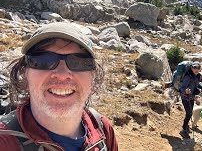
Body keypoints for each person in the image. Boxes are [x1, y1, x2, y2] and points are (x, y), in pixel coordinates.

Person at [0, 22, 118, 150]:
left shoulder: (103, 129)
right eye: (43, 61)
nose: (62, 75)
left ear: (94, 78)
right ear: (25, 75)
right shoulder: (4, 142)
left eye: (78, 62)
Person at [179, 61, 202, 139]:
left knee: (189, 112)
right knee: (189, 113)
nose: (196, 70)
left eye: (198, 68)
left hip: (191, 97)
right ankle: (183, 130)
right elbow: (182, 88)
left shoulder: (197, 76)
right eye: (194, 68)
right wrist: (186, 91)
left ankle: (186, 127)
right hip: (185, 97)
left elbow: (197, 84)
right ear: (191, 68)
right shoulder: (188, 76)